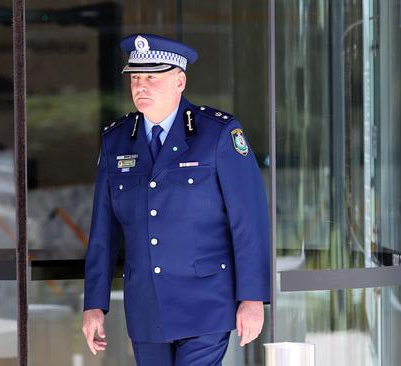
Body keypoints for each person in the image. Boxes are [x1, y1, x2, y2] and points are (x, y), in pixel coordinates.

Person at [82, 33, 271, 366]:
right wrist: (94, 304)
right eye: (136, 78)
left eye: (152, 77)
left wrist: (252, 298)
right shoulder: (117, 141)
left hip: (206, 303)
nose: (141, 86)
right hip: (146, 307)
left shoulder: (217, 134)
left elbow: (249, 222)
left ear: (179, 81)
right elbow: (103, 232)